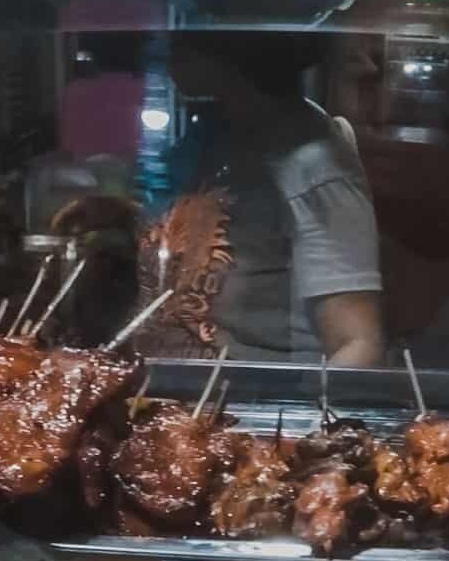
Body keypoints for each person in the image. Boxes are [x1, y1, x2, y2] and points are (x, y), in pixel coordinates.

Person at [159, 31, 386, 366]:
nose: (170, 47)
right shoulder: (221, 135)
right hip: (183, 394)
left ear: (233, 52)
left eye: (187, 38)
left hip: (256, 401)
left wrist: (309, 416)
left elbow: (357, 345)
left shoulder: (313, 164)